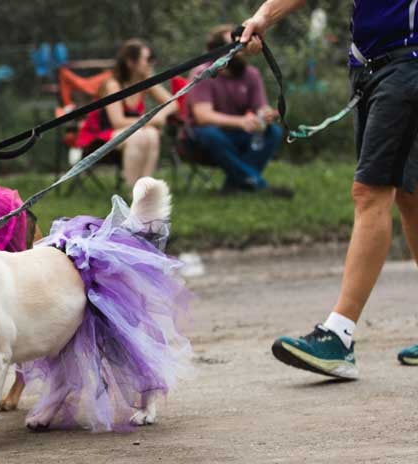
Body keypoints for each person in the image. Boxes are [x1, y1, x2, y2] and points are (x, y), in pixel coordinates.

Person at [240, 0, 418, 374]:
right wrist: (262, 18)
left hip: (408, 66)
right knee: (409, 197)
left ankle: (339, 336)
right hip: (369, 68)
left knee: (371, 191)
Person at [187, 24, 291, 197]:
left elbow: (261, 107)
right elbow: (203, 117)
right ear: (220, 51)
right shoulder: (204, 73)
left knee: (272, 132)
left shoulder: (251, 74)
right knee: (210, 134)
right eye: (235, 43)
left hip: (240, 134)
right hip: (205, 138)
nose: (242, 47)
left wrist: (266, 114)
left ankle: (236, 184)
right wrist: (240, 122)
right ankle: (257, 184)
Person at [76, 39, 175, 188]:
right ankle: (132, 191)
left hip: (132, 131)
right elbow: (118, 121)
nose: (151, 63)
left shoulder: (144, 81)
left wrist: (161, 116)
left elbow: (173, 103)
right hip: (101, 135)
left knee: (152, 135)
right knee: (138, 136)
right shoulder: (113, 85)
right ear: (130, 62)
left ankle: (144, 191)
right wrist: (153, 121)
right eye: (147, 59)